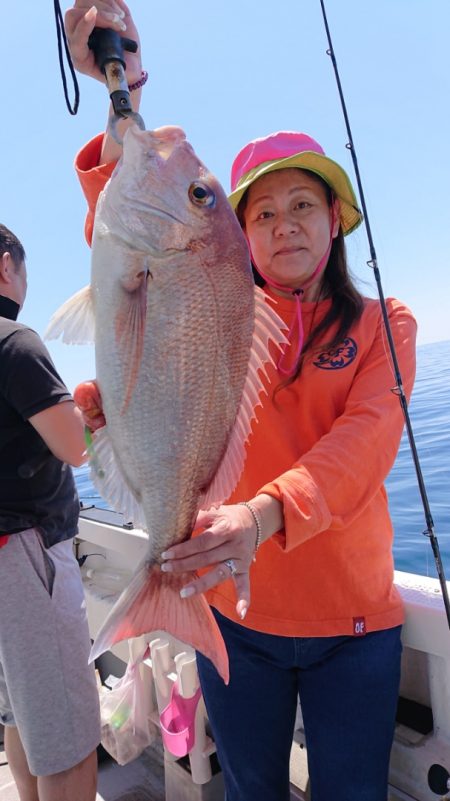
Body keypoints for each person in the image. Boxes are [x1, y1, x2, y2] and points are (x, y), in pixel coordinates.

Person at [65, 3, 417, 799]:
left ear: (336, 220)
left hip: (356, 623)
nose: (284, 226)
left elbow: (362, 446)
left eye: (303, 205)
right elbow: (127, 235)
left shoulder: (384, 325)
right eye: (262, 212)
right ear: (241, 235)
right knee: (251, 789)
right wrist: (124, 84)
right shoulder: (218, 306)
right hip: (232, 615)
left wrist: (260, 516)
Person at [0, 224, 101, 801]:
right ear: (6, 266)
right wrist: (88, 414)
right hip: (25, 557)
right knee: (66, 740)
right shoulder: (16, 342)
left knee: (19, 714)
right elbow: (73, 447)